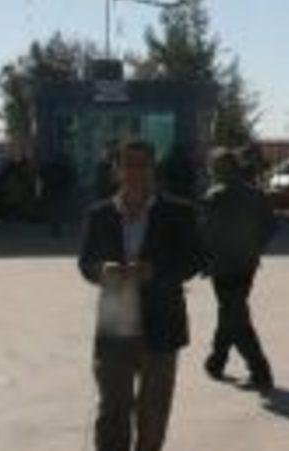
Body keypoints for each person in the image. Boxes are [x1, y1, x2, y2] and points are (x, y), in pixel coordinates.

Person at [78, 140, 207, 451]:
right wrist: (101, 270)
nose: (135, 172)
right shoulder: (100, 214)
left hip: (162, 321)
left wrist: (155, 271)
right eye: (128, 164)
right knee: (113, 408)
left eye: (142, 164)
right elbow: (86, 261)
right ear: (116, 170)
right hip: (116, 320)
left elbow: (194, 260)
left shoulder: (179, 212)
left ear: (153, 169)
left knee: (153, 413)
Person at [200, 148, 276, 390]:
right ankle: (217, 361)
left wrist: (204, 260)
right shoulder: (256, 194)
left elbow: (205, 232)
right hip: (246, 263)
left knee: (235, 316)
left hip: (224, 265)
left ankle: (260, 370)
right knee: (231, 311)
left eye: (213, 167)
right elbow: (270, 226)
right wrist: (255, 246)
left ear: (218, 169)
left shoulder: (215, 196)